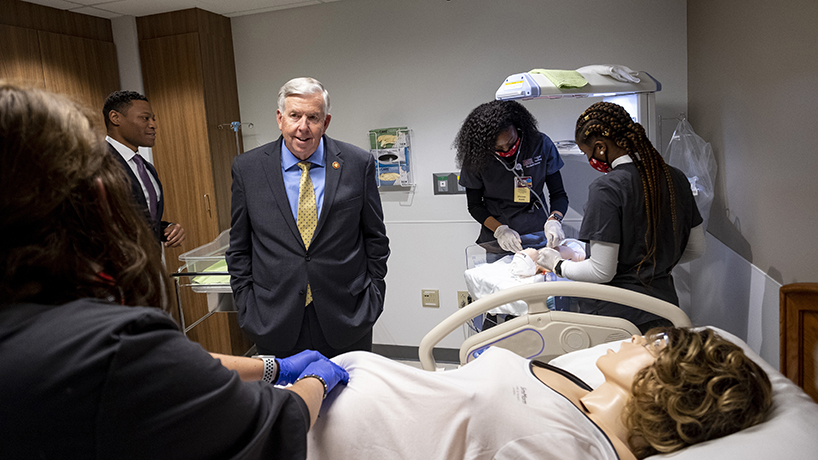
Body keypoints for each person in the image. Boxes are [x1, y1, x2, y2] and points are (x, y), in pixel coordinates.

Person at [0, 83, 348, 459]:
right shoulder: (111, 339)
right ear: (101, 197)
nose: (303, 126)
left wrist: (271, 367)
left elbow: (171, 363)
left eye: (312, 117)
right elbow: (275, 423)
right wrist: (315, 379)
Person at [306, 327, 772, 460]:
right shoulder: (584, 391)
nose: (635, 338)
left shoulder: (575, 448)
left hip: (301, 435)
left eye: (656, 344)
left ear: (677, 384)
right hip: (312, 393)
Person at [227, 77, 390, 359]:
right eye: (294, 115)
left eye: (313, 117)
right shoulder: (248, 169)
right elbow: (239, 245)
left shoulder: (357, 164)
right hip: (273, 318)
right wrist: (246, 302)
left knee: (349, 400)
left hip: (347, 316)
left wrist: (373, 297)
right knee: (286, 401)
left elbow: (375, 238)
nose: (303, 127)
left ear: (325, 122)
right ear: (280, 119)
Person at [537, 102, 706, 332]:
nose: (591, 160)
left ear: (600, 147)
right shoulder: (675, 177)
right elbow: (695, 249)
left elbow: (601, 271)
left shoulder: (607, 188)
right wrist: (652, 263)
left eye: (588, 153)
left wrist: (556, 265)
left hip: (620, 319)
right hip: (666, 312)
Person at [455, 100, 569, 252]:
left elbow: (559, 194)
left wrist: (554, 220)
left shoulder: (540, 144)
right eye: (498, 147)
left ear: (518, 127)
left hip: (538, 233)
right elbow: (475, 205)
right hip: (499, 240)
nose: (507, 150)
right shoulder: (476, 157)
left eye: (511, 142)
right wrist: (500, 230)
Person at [103, 90, 185, 248]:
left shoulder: (146, 168)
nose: (153, 125)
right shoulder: (96, 164)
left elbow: (140, 220)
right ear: (115, 118)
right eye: (145, 118)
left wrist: (165, 229)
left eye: (153, 119)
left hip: (149, 265)